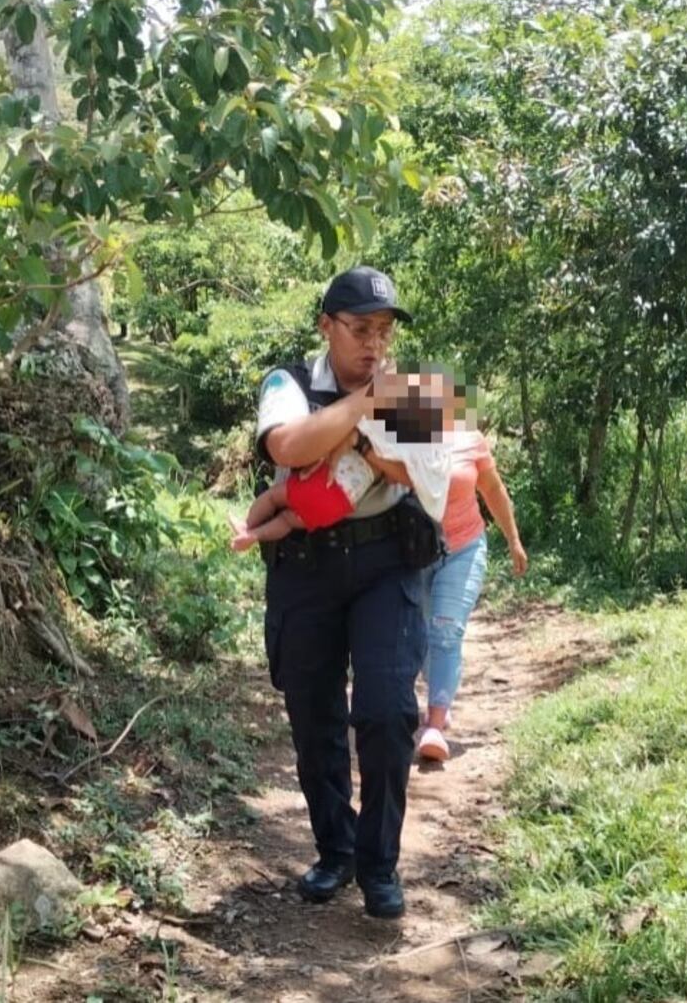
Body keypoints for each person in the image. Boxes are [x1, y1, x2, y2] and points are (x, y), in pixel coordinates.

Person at [255, 266, 443, 920]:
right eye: (361, 329)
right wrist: (364, 412)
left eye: (384, 332)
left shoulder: (412, 388)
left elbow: (424, 467)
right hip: (306, 563)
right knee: (314, 715)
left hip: (389, 558)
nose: (374, 345)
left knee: (388, 709)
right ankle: (334, 850)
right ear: (326, 327)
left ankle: (378, 862)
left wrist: (382, 427)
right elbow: (285, 441)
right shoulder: (288, 383)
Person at [232, 371, 457, 551]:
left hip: (323, 480)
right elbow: (393, 478)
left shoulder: (377, 428)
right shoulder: (405, 453)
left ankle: (248, 528)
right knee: (288, 521)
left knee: (272, 498)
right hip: (340, 502)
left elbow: (338, 437)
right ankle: (254, 536)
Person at [416, 423, 528, 763]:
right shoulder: (400, 439)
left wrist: (513, 540)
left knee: (446, 631)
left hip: (463, 548)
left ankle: (435, 723)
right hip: (414, 552)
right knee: (419, 635)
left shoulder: (469, 441)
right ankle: (441, 693)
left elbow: (493, 490)